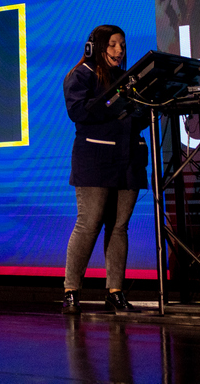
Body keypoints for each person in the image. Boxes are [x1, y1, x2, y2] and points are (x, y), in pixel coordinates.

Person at [60, 25, 148, 315]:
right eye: (112, 44)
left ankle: (115, 291)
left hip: (128, 158)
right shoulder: (81, 74)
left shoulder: (127, 78)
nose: (119, 50)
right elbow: (79, 111)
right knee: (89, 224)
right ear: (95, 47)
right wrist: (117, 103)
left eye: (122, 44)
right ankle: (71, 290)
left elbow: (140, 117)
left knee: (119, 226)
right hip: (95, 159)